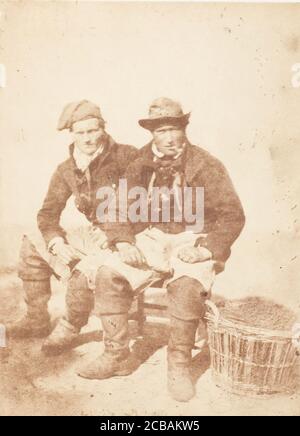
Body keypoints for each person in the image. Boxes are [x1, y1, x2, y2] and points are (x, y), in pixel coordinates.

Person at [74, 97, 245, 403]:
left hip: (193, 238)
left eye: (174, 129)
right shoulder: (138, 162)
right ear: (151, 133)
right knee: (108, 273)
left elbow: (233, 215)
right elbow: (118, 207)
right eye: (161, 130)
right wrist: (124, 241)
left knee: (188, 285)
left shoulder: (206, 164)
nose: (168, 137)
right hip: (151, 238)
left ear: (184, 128)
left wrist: (206, 249)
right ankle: (116, 355)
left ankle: (178, 365)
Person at [8, 100, 137, 341]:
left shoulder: (128, 156)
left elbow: (149, 203)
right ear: (72, 135)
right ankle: (37, 319)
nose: (87, 139)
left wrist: (117, 235)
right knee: (32, 244)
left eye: (93, 130)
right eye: (81, 133)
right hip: (95, 235)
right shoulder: (67, 169)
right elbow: (47, 213)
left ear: (103, 129)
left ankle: (71, 326)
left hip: (128, 238)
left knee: (84, 269)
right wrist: (57, 243)